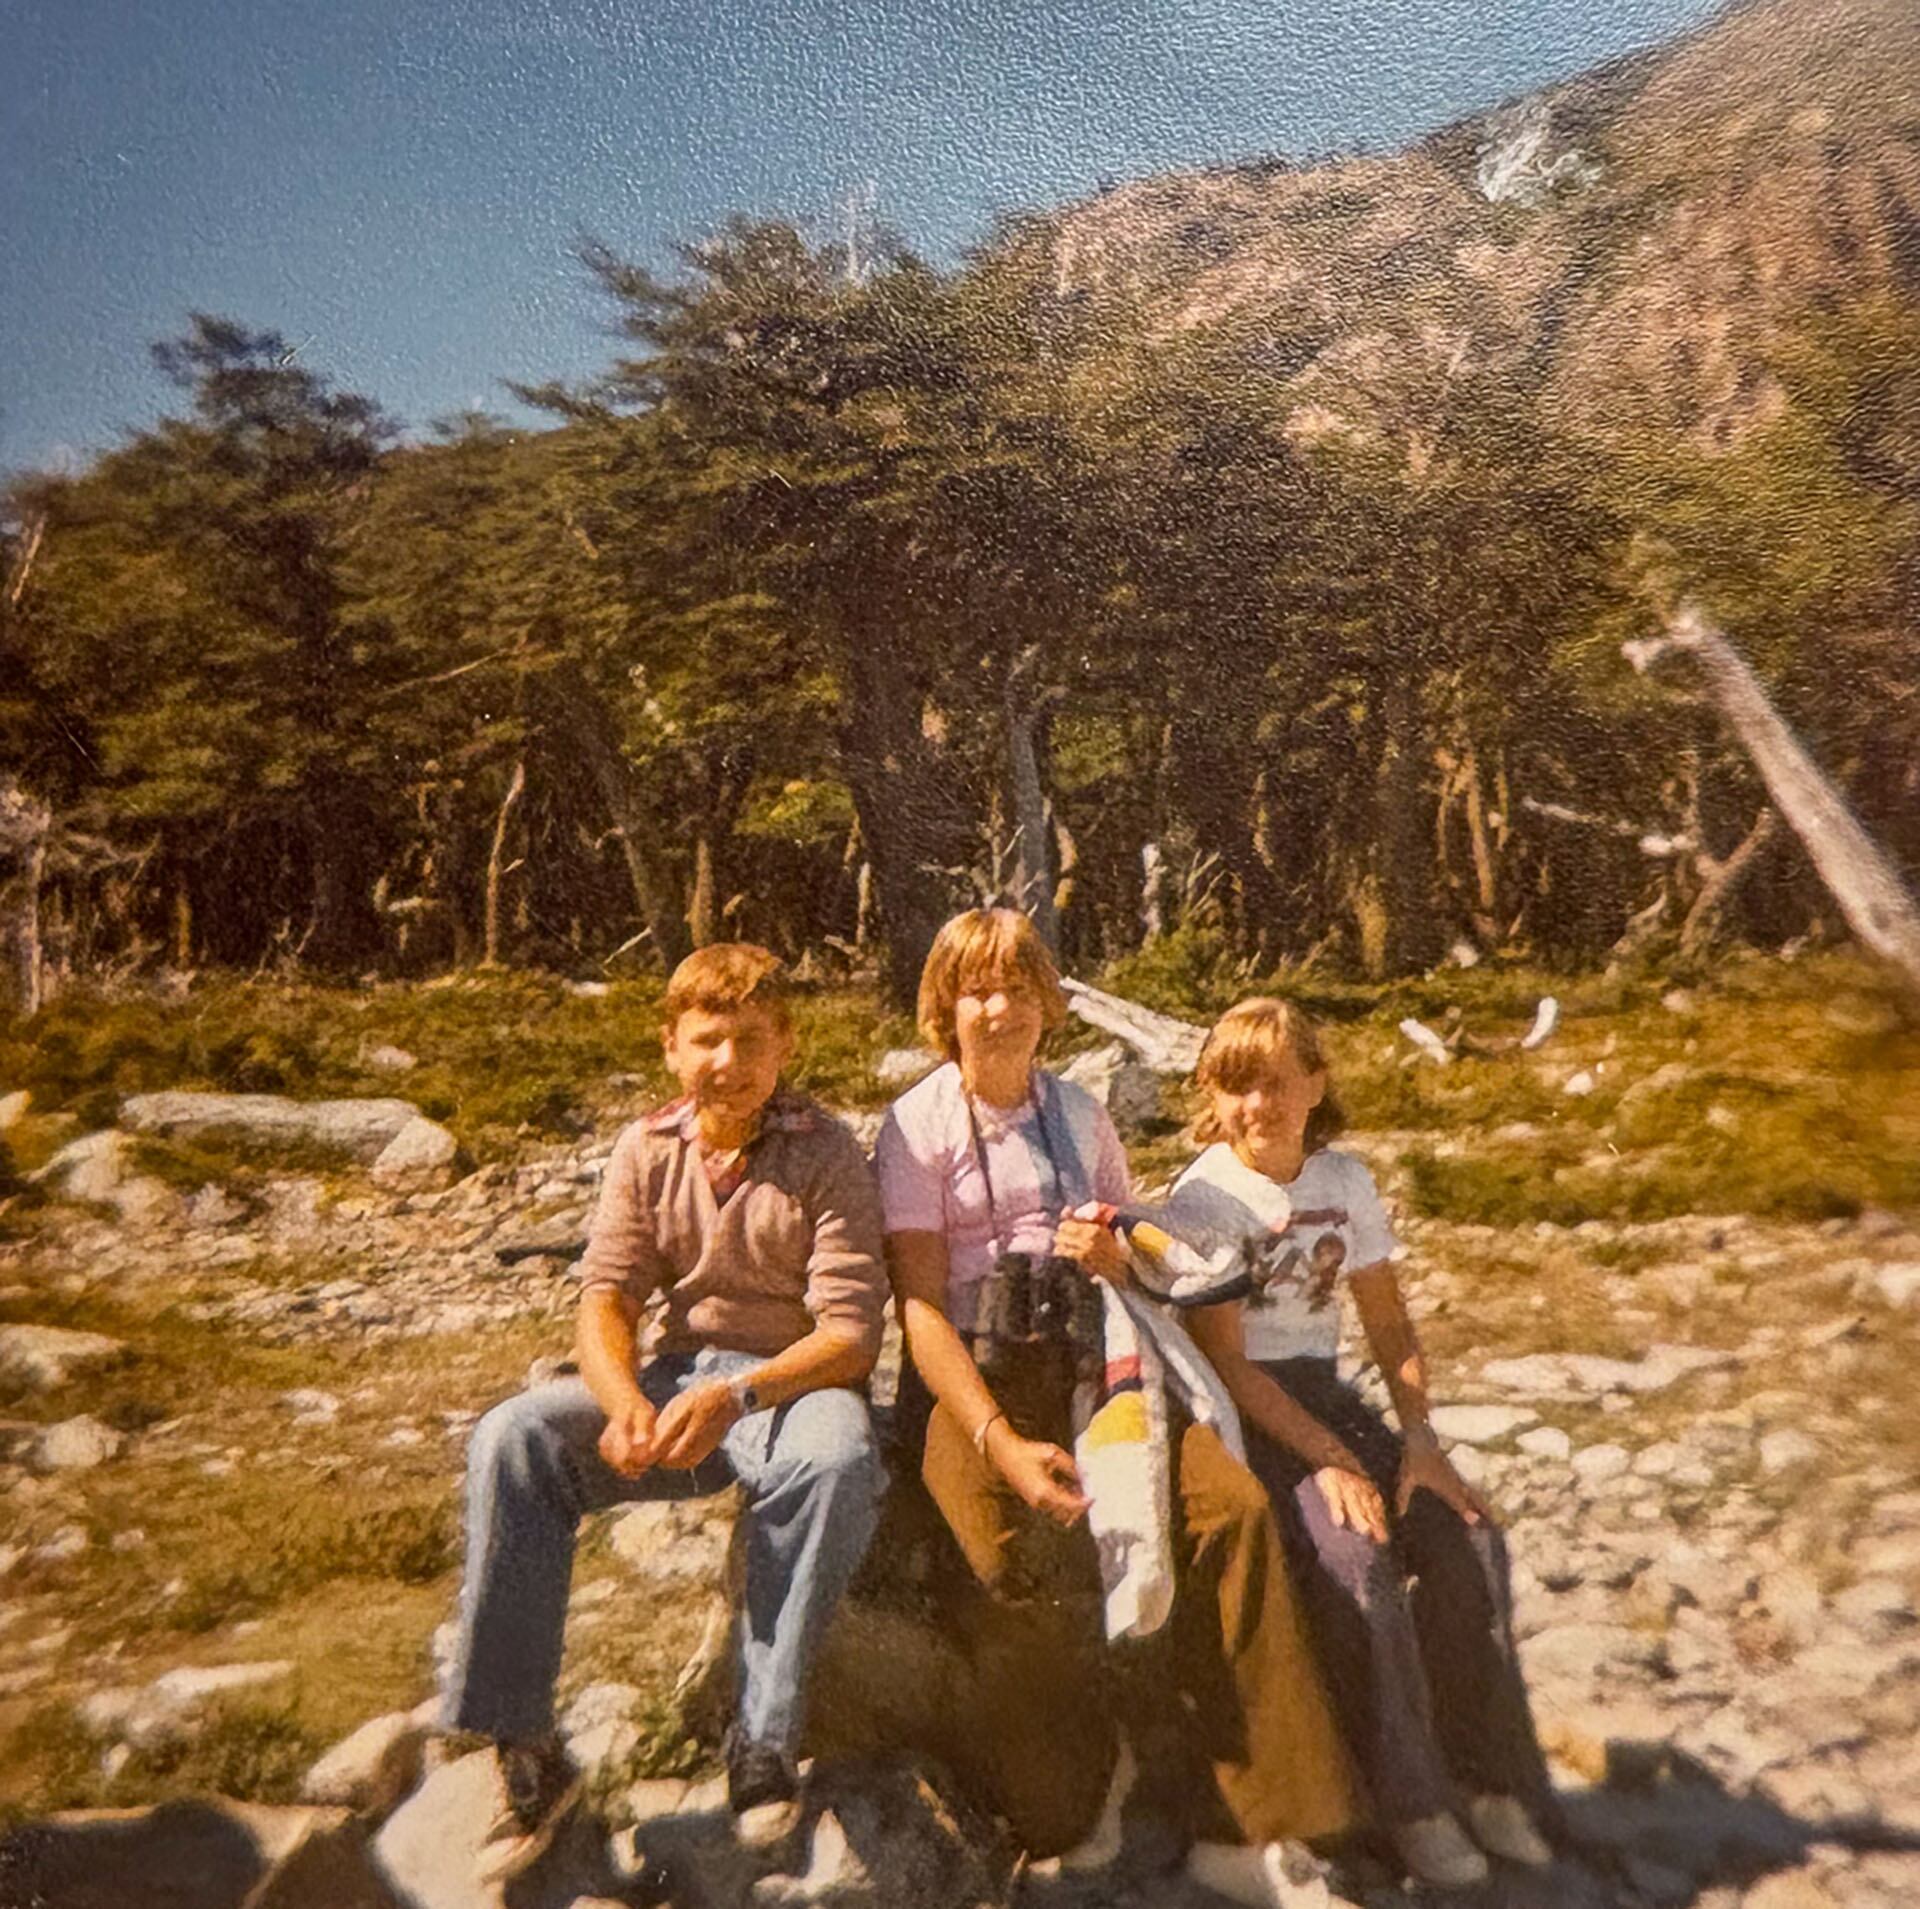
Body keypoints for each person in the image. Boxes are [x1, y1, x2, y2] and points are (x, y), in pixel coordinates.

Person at [876, 908, 1360, 1909]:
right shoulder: (915, 1125)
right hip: (971, 1377)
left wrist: (1117, 1253)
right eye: (975, 988)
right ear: (944, 1008)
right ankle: (1086, 1786)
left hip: (1096, 1358)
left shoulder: (1081, 1113)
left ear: (1050, 1004)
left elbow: (1142, 1245)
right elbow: (920, 1309)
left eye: (1018, 986)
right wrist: (999, 1439)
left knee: (1235, 1510)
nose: (998, 1007)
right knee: (1009, 1554)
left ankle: (1256, 1825)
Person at [442, 943, 888, 1868]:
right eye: (708, 1039)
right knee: (514, 1436)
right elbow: (606, 1294)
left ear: (785, 1044)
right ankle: (525, 1748)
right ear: (672, 1049)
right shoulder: (647, 1148)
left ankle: (762, 1743)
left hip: (789, 1384)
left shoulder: (830, 1151)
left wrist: (738, 1394)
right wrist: (621, 1403)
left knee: (839, 1457)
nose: (730, 1060)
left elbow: (850, 1334)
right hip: (677, 1378)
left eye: (751, 1038)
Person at [1164, 996, 1558, 1890]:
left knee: (1467, 1535)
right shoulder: (1206, 1195)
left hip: (1329, 1394)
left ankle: (1487, 1776)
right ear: (1211, 1096)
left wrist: (1419, 1442)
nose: (1255, 1105)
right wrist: (1333, 1460)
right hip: (1254, 1411)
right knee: (1358, 1554)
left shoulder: (1343, 1181)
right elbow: (1229, 1367)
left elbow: (1388, 1321)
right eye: (1234, 1087)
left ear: (1315, 1083)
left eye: (1273, 1083)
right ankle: (1412, 1803)